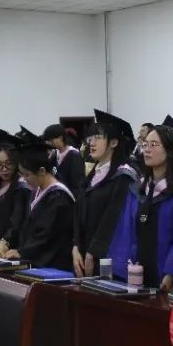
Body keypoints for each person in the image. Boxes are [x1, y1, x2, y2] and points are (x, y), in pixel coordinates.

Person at [107, 122, 173, 291]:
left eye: (154, 145)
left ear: (170, 151)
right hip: (135, 277)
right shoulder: (138, 190)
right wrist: (122, 267)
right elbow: (125, 232)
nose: (147, 149)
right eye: (145, 144)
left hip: (166, 281)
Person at [73, 110, 139, 277]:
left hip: (106, 258)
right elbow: (78, 212)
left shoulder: (123, 176)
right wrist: (75, 247)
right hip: (82, 255)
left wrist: (93, 252)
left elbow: (112, 219)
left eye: (98, 137)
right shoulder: (93, 175)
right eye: (90, 138)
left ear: (114, 142)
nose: (92, 143)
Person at [0, 143, 76, 270]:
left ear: (42, 171)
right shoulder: (38, 192)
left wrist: (22, 252)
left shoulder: (58, 197)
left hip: (55, 266)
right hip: (36, 262)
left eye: (27, 174)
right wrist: (8, 241)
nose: (24, 179)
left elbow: (47, 236)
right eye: (22, 174)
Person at [43, 123, 86, 199]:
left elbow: (78, 185)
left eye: (51, 140)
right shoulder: (55, 154)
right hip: (58, 196)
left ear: (60, 138)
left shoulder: (74, 156)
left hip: (70, 197)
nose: (49, 143)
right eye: (48, 141)